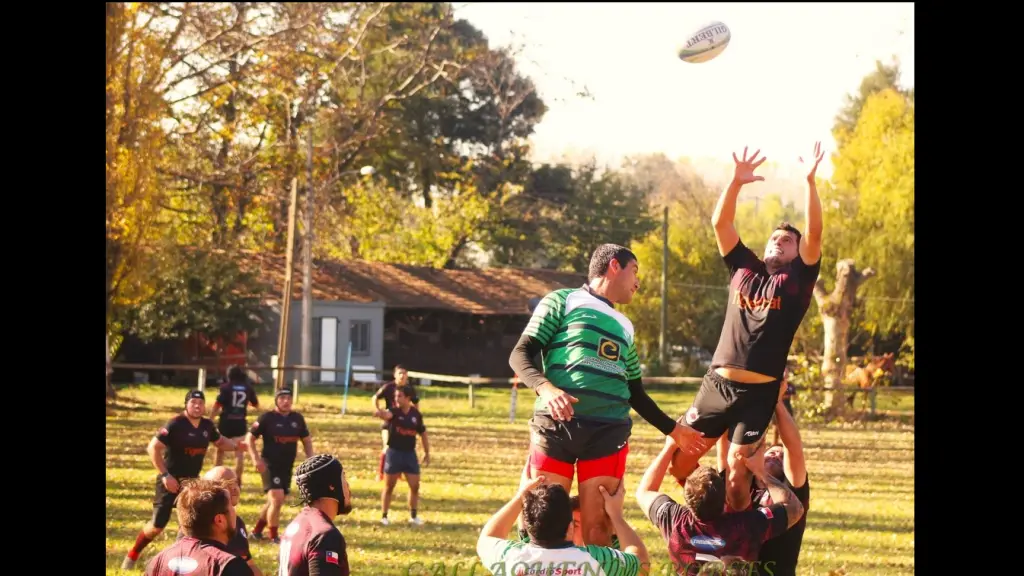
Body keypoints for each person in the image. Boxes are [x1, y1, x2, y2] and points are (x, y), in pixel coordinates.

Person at [508, 243, 701, 547]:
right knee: (542, 523)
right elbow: (520, 354)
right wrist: (547, 389)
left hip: (607, 432)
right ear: (614, 265)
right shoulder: (562, 300)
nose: (638, 282)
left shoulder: (626, 327)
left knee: (598, 528)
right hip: (556, 425)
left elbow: (635, 392)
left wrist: (675, 431)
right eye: (634, 271)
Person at [670, 143, 824, 509]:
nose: (779, 241)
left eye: (788, 240)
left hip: (759, 395)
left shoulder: (798, 281)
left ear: (797, 253)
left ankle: (735, 548)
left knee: (740, 477)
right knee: (681, 462)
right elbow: (720, 223)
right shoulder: (744, 267)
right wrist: (736, 183)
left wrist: (810, 183)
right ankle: (704, 518)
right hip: (717, 385)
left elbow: (815, 234)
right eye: (775, 237)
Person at [636, 436, 805, 575]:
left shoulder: (675, 521)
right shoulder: (746, 526)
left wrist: (669, 447)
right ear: (725, 500)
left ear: (687, 500)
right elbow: (795, 508)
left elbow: (644, 492)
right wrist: (761, 473)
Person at [122, 390, 241, 570]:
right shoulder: (175, 424)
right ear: (186, 405)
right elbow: (153, 448)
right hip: (169, 481)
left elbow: (220, 441)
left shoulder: (207, 426)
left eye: (200, 403)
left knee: (189, 526)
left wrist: (237, 445)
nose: (197, 406)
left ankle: (181, 561)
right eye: (193, 402)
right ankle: (132, 555)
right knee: (157, 526)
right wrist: (165, 475)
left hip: (192, 485)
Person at [478, 475, 647, 576]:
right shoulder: (596, 559)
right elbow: (642, 565)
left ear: (528, 527)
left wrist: (519, 498)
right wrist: (616, 517)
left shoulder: (511, 558)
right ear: (570, 527)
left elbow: (487, 538)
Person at [143, 478, 254, 576]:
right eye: (231, 507)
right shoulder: (229, 566)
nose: (235, 513)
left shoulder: (157, 561)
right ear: (220, 520)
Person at [246, 388, 313, 543]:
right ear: (276, 400)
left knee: (273, 501)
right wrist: (256, 460)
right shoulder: (267, 418)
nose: (286, 401)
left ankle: (256, 531)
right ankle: (274, 536)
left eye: (289, 398)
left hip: (286, 466)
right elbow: (250, 438)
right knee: (277, 499)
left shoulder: (297, 419)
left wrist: (311, 460)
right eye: (282, 398)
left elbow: (306, 440)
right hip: (269, 464)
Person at [178, 467, 263, 576]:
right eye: (225, 483)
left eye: (235, 482)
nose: (234, 488)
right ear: (208, 489)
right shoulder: (197, 523)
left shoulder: (238, 523)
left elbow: (249, 563)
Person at [279, 454, 352, 576]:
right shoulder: (324, 536)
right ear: (332, 486)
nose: (348, 486)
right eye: (343, 478)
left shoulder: (296, 525)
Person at [373, 386, 430, 525]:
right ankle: (384, 516)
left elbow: (423, 433)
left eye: (400, 396)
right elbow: (387, 414)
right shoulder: (394, 412)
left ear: (408, 398)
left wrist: (427, 452)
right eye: (395, 396)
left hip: (410, 454)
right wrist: (379, 412)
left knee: (415, 486)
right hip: (394, 453)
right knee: (389, 486)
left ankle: (413, 515)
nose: (396, 399)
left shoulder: (416, 415)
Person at [211, 366, 260, 488]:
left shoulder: (226, 388)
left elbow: (217, 405)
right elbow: (256, 404)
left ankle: (215, 480)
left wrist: (210, 419)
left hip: (226, 422)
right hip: (240, 422)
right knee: (239, 452)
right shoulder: (247, 388)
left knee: (220, 451)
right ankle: (238, 481)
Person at [371, 365, 419, 480]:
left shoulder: (409, 389)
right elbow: (375, 397)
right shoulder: (388, 387)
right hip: (389, 422)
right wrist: (377, 410)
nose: (402, 376)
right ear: (395, 375)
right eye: (400, 373)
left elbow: (416, 402)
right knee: (387, 446)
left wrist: (415, 415)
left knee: (402, 448)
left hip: (403, 424)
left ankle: (398, 474)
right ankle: (381, 473)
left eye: (404, 373)